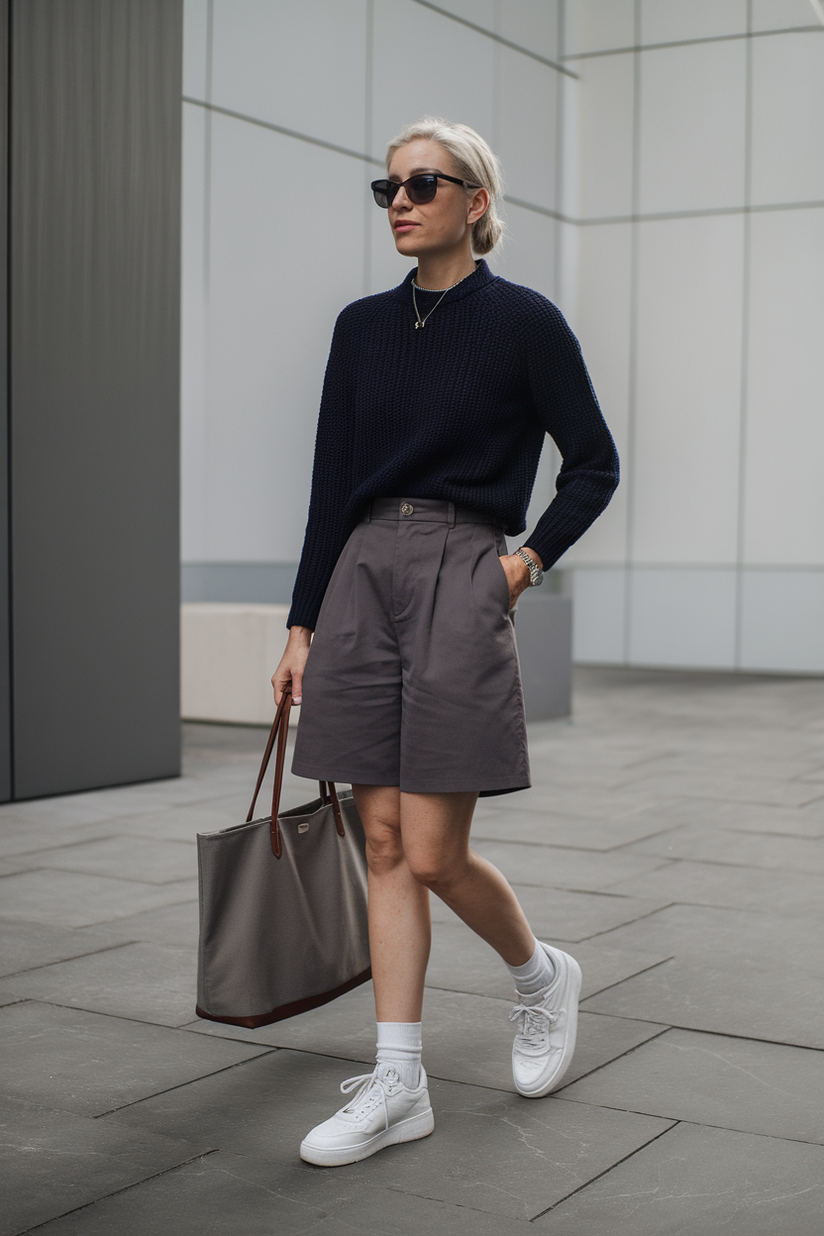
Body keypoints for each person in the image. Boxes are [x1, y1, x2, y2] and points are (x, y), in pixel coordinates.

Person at [271, 116, 618, 1168]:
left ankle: (536, 976)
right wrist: (301, 624)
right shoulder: (356, 329)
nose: (401, 200)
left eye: (424, 183)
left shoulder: (523, 323)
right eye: (387, 189)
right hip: (360, 573)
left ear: (476, 201)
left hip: (466, 569)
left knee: (430, 849)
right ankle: (399, 1078)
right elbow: (331, 485)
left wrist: (521, 564)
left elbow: (592, 464)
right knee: (378, 843)